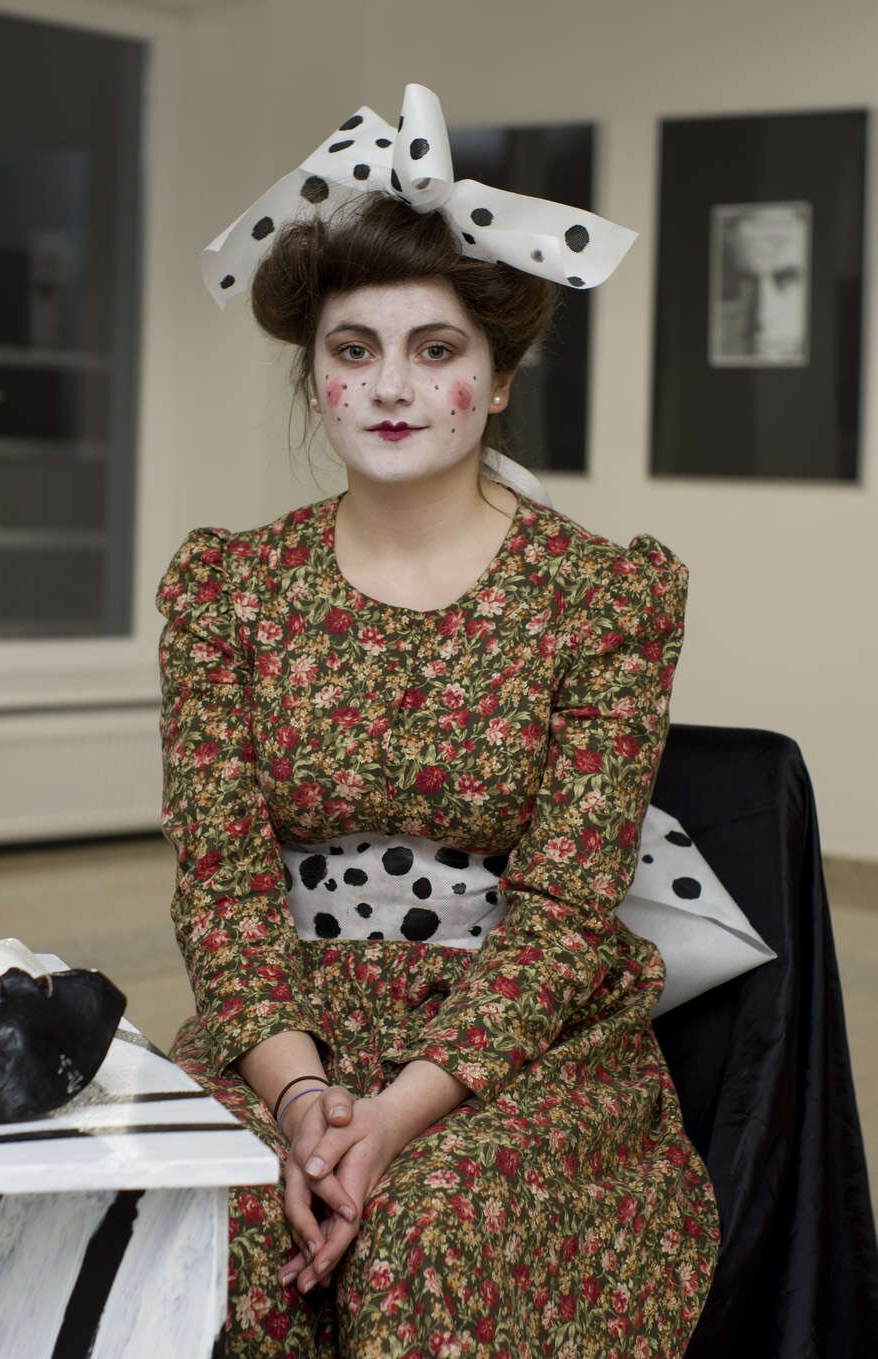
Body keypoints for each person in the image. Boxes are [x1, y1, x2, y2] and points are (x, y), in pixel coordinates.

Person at [156, 87, 720, 1359]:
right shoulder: (227, 589)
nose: (392, 387)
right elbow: (223, 884)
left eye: (435, 349)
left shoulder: (603, 596)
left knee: (426, 1225)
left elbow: (570, 906)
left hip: (512, 1040)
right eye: (354, 351)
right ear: (315, 376)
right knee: (218, 1217)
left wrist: (394, 1117)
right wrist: (302, 1100)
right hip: (283, 1027)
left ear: (499, 377)